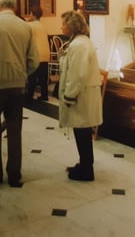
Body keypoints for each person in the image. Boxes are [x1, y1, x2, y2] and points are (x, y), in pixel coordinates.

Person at [0, 0, 39, 187]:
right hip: (17, 86)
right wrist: (22, 74)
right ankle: (14, 174)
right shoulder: (25, 26)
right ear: (14, 6)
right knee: (14, 130)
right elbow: (34, 60)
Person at [58, 10, 103, 181]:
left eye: (63, 23)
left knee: (82, 132)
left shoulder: (79, 45)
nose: (61, 26)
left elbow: (77, 74)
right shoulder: (79, 42)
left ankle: (86, 169)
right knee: (81, 131)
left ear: (71, 26)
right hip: (82, 95)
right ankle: (84, 163)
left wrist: (69, 96)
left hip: (80, 97)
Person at [27, 5, 51, 101]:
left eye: (30, 13)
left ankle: (29, 96)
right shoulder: (42, 26)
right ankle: (44, 95)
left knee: (32, 77)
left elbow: (28, 39)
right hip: (45, 54)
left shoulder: (31, 25)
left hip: (36, 54)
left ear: (32, 14)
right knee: (43, 78)